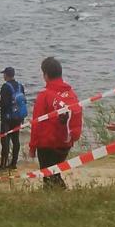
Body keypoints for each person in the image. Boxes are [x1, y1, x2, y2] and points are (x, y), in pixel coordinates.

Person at [28, 57, 83, 189]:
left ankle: (57, 197)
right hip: (66, 142)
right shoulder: (71, 93)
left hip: (48, 143)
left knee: (49, 177)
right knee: (55, 174)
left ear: (46, 75)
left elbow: (36, 123)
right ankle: (60, 194)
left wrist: (32, 146)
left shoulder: (44, 95)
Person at [0, 67, 26, 170]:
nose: (3, 76)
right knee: (15, 139)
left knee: (5, 141)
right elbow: (23, 101)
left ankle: (3, 165)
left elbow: (4, 103)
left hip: (7, 118)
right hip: (18, 117)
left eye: (4, 74)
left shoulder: (5, 87)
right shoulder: (20, 86)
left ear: (6, 75)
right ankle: (13, 163)